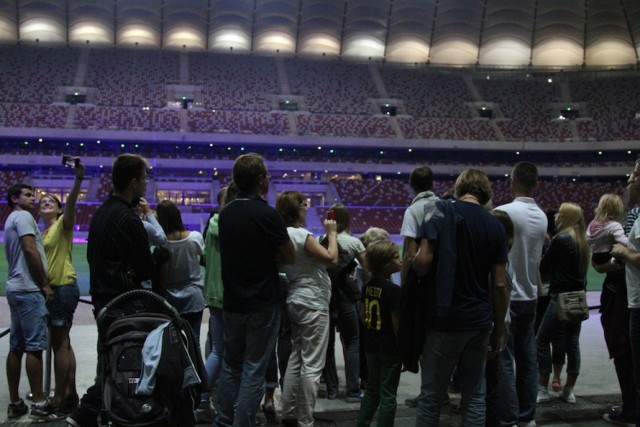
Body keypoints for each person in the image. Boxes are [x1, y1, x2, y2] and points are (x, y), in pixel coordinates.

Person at [67, 153, 163, 427]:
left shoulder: (102, 213)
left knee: (107, 365)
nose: (146, 183)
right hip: (124, 306)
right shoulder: (127, 219)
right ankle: (92, 414)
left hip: (103, 302)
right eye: (144, 178)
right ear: (133, 182)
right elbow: (147, 269)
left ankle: (92, 413)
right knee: (123, 367)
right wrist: (160, 256)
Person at [412, 169, 509, 426]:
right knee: (475, 396)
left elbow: (422, 264)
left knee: (432, 397)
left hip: (445, 317)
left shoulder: (439, 211)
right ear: (485, 192)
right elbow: (500, 285)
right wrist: (498, 330)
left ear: (459, 188)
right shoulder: (496, 225)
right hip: (478, 320)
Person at [214, 153, 295, 427]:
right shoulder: (268, 214)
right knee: (253, 369)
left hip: (233, 302)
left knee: (231, 366)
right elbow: (289, 255)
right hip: (262, 302)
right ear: (260, 180)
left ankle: (223, 420)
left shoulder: (225, 215)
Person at [277, 190, 338, 427]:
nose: (306, 208)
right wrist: (332, 234)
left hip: (295, 299)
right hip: (313, 301)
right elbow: (331, 259)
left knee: (296, 357)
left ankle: (289, 413)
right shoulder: (302, 234)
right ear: (296, 209)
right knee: (312, 365)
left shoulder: (283, 234)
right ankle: (305, 420)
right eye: (304, 204)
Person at [4, 184, 63, 422]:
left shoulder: (11, 218)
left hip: (15, 288)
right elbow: (30, 250)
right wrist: (44, 284)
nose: (33, 198)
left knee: (16, 347)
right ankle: (39, 402)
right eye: (28, 195)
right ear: (14, 198)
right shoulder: (25, 216)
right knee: (34, 347)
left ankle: (15, 402)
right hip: (29, 289)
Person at [496, 161, 547, 427]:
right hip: (530, 294)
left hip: (507, 294)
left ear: (512, 180)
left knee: (504, 357)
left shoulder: (503, 212)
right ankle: (527, 417)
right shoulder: (542, 216)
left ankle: (508, 417)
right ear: (536, 183)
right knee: (528, 358)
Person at [38, 158, 85, 414]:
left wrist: (77, 180)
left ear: (57, 209)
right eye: (42, 201)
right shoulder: (41, 232)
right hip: (55, 289)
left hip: (63, 287)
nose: (46, 203)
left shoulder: (61, 226)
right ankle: (70, 394)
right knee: (64, 343)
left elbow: (71, 204)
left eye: (51, 201)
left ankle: (57, 399)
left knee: (59, 344)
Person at [537, 203, 590, 404]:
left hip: (559, 297)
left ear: (566, 216)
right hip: (578, 297)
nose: (556, 215)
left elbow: (544, 266)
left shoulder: (561, 239)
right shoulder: (582, 240)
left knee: (541, 340)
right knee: (572, 343)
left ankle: (542, 388)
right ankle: (569, 390)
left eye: (560, 213)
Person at [322, 203, 366, 402]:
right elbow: (369, 268)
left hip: (327, 296)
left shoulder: (321, 240)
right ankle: (353, 391)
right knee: (353, 342)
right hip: (347, 297)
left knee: (328, 344)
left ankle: (331, 389)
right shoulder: (354, 242)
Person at [607, 159, 640, 426]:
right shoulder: (634, 213)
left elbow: (627, 257)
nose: (629, 181)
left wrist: (620, 253)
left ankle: (633, 410)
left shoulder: (636, 215)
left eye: (635, 176)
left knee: (629, 359)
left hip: (631, 299)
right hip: (629, 297)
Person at [356, 240, 402, 427]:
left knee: (372, 389)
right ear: (386, 264)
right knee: (388, 394)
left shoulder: (367, 286)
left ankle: (363, 423)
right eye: (396, 257)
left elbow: (361, 314)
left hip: (371, 344)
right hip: (389, 347)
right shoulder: (393, 291)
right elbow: (397, 324)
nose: (400, 260)